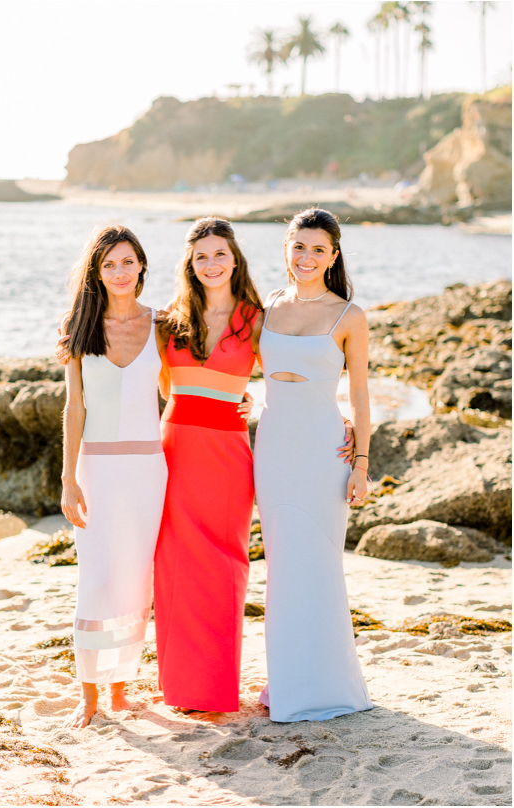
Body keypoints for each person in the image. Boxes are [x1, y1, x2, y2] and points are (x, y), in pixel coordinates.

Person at [254, 208, 373, 722]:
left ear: (334, 255)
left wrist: (362, 462)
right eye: (298, 246)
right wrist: (244, 404)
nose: (306, 257)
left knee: (319, 565)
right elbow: (250, 375)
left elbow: (363, 396)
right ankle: (286, 681)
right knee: (281, 565)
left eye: (318, 249)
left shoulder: (349, 316)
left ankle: (325, 687)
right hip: (273, 447)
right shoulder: (265, 306)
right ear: (286, 248)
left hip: (326, 452)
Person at [58, 225, 168, 728]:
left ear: (142, 266)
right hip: (96, 468)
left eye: (127, 262)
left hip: (149, 469)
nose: (120, 272)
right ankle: (89, 695)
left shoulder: (164, 325)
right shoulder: (80, 327)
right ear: (96, 273)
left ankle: (121, 687)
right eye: (109, 265)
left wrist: (242, 400)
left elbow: (186, 388)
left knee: (133, 579)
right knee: (97, 578)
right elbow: (74, 407)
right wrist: (68, 479)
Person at [152, 217, 262, 714]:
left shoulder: (257, 319)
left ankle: (217, 689)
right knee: (174, 565)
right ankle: (181, 688)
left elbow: (293, 375)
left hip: (228, 456)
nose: (211, 263)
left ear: (234, 259)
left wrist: (256, 400)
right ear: (189, 265)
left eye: (219, 254)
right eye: (201, 257)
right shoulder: (168, 320)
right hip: (174, 451)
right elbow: (156, 386)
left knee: (225, 567)